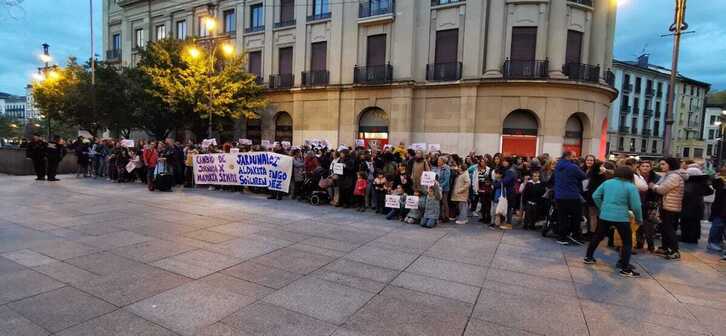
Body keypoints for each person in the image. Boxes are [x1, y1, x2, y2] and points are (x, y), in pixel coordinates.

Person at [584, 166, 643, 278]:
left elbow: (595, 195)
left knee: (598, 236)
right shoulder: (631, 187)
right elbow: (636, 206)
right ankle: (625, 268)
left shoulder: (608, 182)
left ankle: (588, 257)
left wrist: (602, 207)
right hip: (621, 217)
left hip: (605, 215)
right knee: (627, 242)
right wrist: (639, 218)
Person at [650, 157, 686, 260]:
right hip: (666, 205)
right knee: (664, 228)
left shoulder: (673, 176)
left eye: (663, 164)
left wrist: (653, 186)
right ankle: (665, 248)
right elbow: (659, 185)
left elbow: (661, 189)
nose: (660, 166)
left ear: (670, 165)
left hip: (670, 206)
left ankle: (675, 251)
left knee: (669, 229)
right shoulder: (668, 175)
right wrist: (656, 186)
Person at [553, 151, 587, 245]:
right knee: (576, 216)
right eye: (573, 156)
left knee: (562, 217)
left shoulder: (558, 165)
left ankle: (562, 237)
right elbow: (583, 176)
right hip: (572, 195)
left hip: (559, 196)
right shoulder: (573, 167)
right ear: (568, 157)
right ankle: (575, 235)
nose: (575, 158)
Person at [680, 166, 712, 244]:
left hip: (687, 207)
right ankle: (694, 238)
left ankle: (686, 237)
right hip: (698, 207)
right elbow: (709, 191)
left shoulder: (687, 184)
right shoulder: (701, 184)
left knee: (686, 223)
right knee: (696, 223)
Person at [635, 160, 661, 252]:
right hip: (638, 202)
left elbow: (659, 191)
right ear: (639, 167)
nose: (645, 168)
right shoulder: (636, 177)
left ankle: (650, 245)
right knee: (638, 224)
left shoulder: (656, 177)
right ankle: (639, 243)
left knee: (649, 225)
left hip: (650, 203)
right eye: (643, 166)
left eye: (647, 166)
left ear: (651, 167)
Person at [708, 166, 726, 253]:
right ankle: (713, 242)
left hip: (721, 207)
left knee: (721, 226)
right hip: (720, 208)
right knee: (718, 224)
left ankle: (718, 241)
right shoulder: (719, 181)